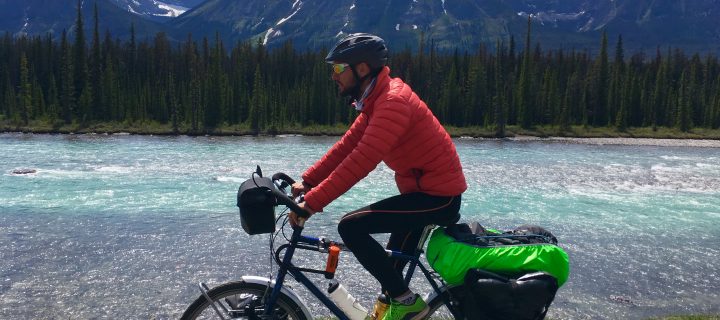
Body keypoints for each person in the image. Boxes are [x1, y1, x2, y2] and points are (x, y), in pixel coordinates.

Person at [289, 33, 467, 320]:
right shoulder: (375, 101)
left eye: (337, 68)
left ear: (361, 69)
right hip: (422, 195)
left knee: (351, 227)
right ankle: (401, 304)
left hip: (438, 198)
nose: (333, 76)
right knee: (391, 278)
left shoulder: (392, 103)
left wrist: (311, 204)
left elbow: (361, 161)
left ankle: (409, 303)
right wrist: (308, 181)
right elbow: (345, 148)